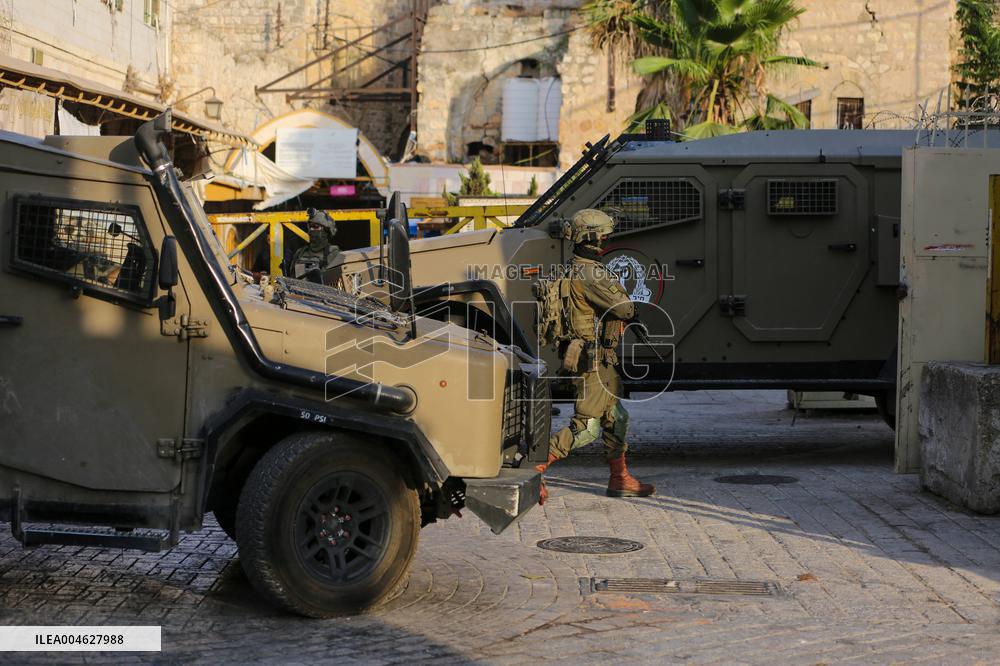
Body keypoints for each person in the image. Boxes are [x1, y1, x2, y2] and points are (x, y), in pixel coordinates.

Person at [537, 208, 655, 503]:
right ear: (591, 239)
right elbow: (625, 308)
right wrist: (629, 313)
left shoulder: (571, 267)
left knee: (616, 417)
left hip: (596, 358)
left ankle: (619, 478)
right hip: (592, 360)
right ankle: (534, 469)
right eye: (603, 236)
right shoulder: (590, 274)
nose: (605, 241)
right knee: (587, 427)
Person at [289, 208, 340, 283]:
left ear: (326, 231)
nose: (312, 230)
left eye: (316, 227)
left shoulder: (333, 253)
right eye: (310, 227)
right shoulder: (300, 252)